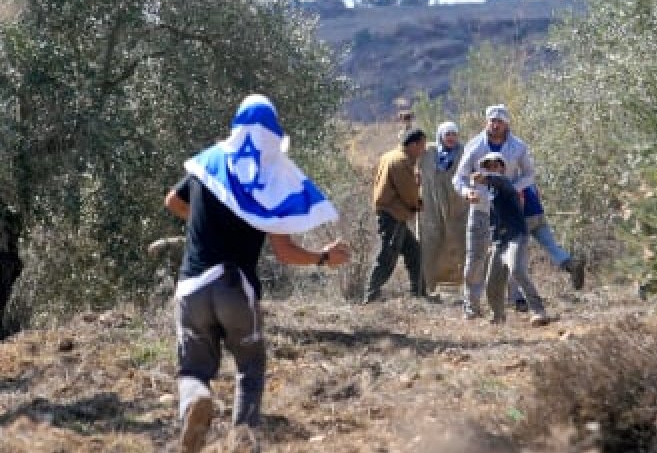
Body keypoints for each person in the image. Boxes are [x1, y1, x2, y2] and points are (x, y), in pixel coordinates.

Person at [164, 94, 350, 452]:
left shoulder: (209, 162)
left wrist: (201, 226)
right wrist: (323, 259)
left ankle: (195, 402)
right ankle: (242, 442)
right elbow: (285, 252)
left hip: (193, 287)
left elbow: (172, 200)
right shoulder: (273, 179)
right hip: (236, 290)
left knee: (192, 369)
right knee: (249, 369)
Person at [453, 104, 583, 317]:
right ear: (486, 122)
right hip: (480, 208)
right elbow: (459, 177)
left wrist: (512, 189)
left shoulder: (518, 147)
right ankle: (471, 305)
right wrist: (467, 192)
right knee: (475, 258)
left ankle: (516, 300)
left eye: (499, 121)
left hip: (508, 210)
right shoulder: (475, 146)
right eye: (491, 121)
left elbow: (530, 174)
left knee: (512, 260)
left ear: (507, 123)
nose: (495, 125)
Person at [471, 152, 550, 325]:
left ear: (503, 168)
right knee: (492, 282)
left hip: (516, 236)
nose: (492, 169)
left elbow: (496, 179)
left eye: (495, 165)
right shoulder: (491, 193)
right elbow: (494, 221)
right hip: (501, 240)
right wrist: (494, 240)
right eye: (488, 166)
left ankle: (539, 311)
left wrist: (485, 175)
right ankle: (498, 316)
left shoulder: (506, 184)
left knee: (517, 269)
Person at [362, 128, 428, 304]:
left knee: (414, 251)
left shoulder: (389, 156)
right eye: (422, 145)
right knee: (387, 257)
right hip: (393, 214)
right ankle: (371, 296)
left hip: (393, 214)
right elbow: (408, 193)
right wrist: (418, 203)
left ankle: (419, 293)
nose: (424, 150)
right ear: (413, 144)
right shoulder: (402, 161)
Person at [416, 121, 469, 294]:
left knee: (462, 243)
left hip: (457, 207)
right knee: (428, 244)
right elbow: (408, 148)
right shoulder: (429, 153)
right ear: (440, 136)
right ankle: (426, 286)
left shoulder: (464, 152)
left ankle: (466, 286)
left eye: (454, 134)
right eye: (448, 134)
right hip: (431, 207)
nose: (451, 138)